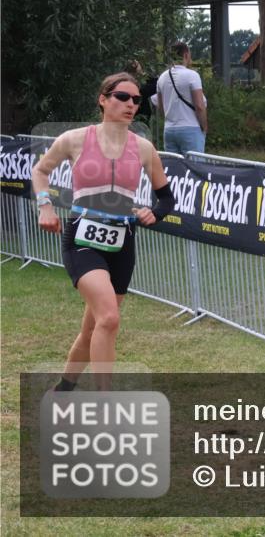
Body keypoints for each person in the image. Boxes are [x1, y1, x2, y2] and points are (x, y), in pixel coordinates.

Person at [32, 72, 175, 391]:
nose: (130, 105)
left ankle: (64, 389)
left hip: (122, 241)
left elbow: (166, 199)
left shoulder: (143, 148)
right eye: (122, 97)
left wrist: (152, 212)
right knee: (109, 318)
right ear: (103, 99)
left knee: (95, 326)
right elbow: (40, 171)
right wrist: (45, 205)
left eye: (136, 100)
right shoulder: (75, 139)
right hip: (83, 237)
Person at [156, 40, 208, 154]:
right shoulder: (192, 75)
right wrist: (204, 127)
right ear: (186, 54)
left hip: (169, 130)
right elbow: (199, 106)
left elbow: (160, 107)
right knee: (195, 168)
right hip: (190, 128)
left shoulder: (162, 77)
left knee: (174, 169)